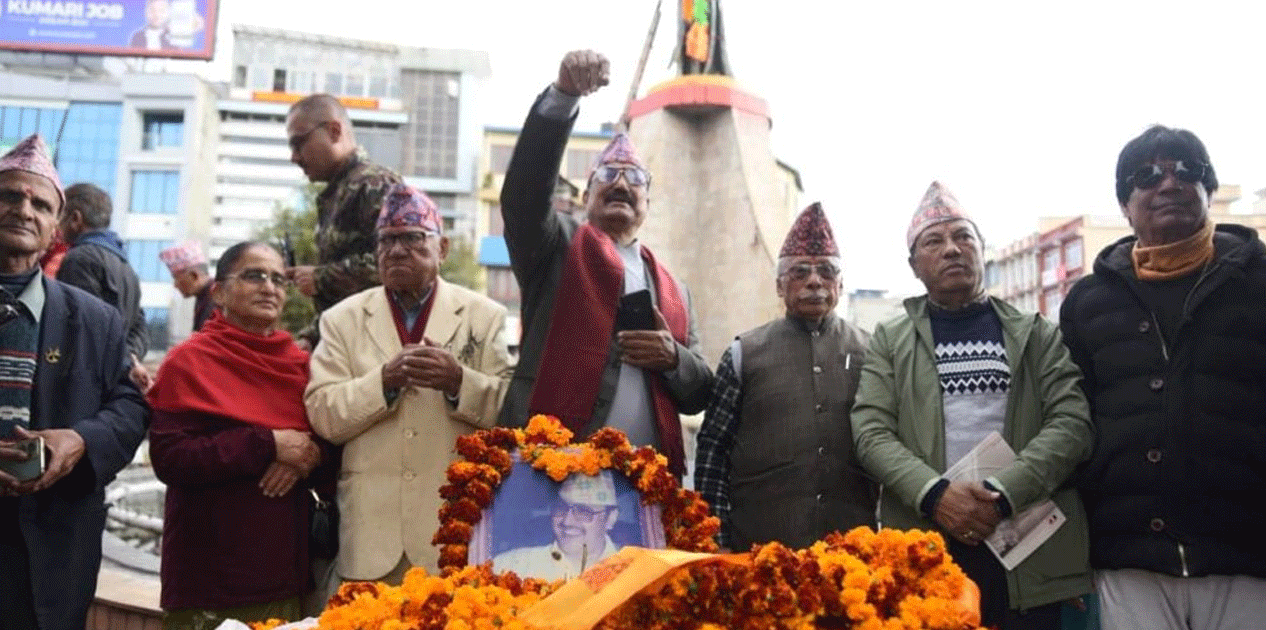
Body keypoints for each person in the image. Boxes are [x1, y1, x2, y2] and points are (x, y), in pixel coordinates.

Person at [850, 181, 1093, 630]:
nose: (952, 249)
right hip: (930, 545)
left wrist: (1000, 498)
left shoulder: (1035, 332)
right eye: (934, 241)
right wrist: (936, 495)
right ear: (914, 265)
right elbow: (870, 431)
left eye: (964, 237)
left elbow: (1072, 423)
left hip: (1026, 543)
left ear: (983, 251)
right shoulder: (890, 339)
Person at [1059, 125, 1266, 630]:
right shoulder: (1088, 302)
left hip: (1247, 551)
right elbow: (1071, 415)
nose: (1168, 184)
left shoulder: (1258, 283)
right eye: (1146, 176)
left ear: (1209, 191)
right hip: (1130, 555)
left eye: (1186, 171)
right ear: (1125, 206)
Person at [498, 49, 712, 478]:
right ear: (584, 196)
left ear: (648, 202)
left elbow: (699, 392)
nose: (620, 182)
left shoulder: (673, 289)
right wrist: (562, 98)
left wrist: (672, 357)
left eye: (634, 178)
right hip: (552, 473)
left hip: (644, 487)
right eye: (606, 175)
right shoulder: (556, 248)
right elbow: (523, 196)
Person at [306, 184, 512, 583]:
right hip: (370, 533)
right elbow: (322, 413)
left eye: (412, 239)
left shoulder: (484, 316)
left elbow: (512, 410)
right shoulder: (341, 319)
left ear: (443, 248)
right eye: (386, 241)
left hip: (456, 528)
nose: (396, 251)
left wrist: (458, 382)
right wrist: (383, 382)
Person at [0, 134, 149, 630]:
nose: (24, 209)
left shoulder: (96, 321)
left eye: (40, 204)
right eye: (9, 196)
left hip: (51, 554)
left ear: (55, 232)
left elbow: (130, 408)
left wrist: (82, 440)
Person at [147, 240, 330, 629]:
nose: (270, 287)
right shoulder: (189, 361)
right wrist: (268, 444)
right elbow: (170, 458)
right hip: (207, 577)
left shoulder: (301, 366)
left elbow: (328, 447)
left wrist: (305, 457)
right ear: (218, 291)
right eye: (254, 276)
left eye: (279, 279)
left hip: (283, 571)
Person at [695, 202, 875, 551]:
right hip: (759, 549)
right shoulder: (743, 353)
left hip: (853, 551)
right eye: (799, 272)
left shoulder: (872, 352)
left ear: (841, 283)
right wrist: (713, 538)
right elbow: (713, 452)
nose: (814, 281)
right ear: (780, 286)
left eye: (826, 271)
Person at [284, 94, 403, 349]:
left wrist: (321, 278)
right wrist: (312, 336)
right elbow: (344, 305)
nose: (294, 157)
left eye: (299, 143)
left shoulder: (376, 184)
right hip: (343, 345)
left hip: (374, 352)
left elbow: (397, 268)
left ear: (334, 130)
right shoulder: (336, 194)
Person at [56, 182, 151, 390]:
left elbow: (84, 327)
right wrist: (128, 359)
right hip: (110, 380)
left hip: (83, 380)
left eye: (59, 217)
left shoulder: (79, 258)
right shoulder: (125, 264)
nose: (57, 226)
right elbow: (140, 325)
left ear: (75, 219)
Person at [493, 470, 623, 581]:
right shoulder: (510, 567)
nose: (567, 521)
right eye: (561, 507)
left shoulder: (631, 568)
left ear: (610, 518)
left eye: (583, 511)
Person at [160, 241, 216, 332]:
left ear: (194, 276)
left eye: (176, 278)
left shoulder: (217, 299)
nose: (175, 285)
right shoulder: (207, 296)